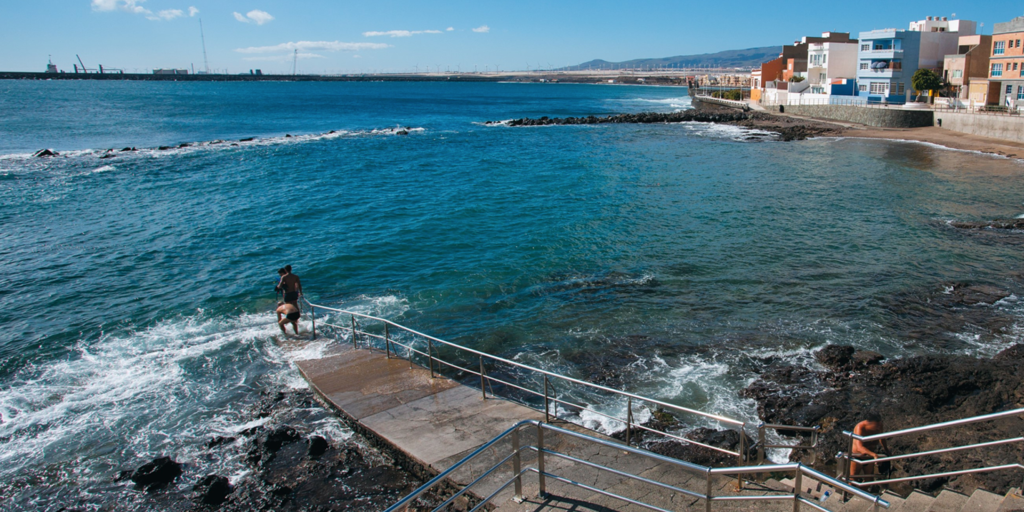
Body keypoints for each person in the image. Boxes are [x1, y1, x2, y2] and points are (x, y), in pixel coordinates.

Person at [850, 412, 889, 478]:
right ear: (869, 423)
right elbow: (859, 447)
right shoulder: (860, 427)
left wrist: (886, 450)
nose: (879, 427)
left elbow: (882, 438)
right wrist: (874, 455)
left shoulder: (879, 426)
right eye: (877, 425)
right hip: (858, 456)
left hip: (869, 457)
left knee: (869, 478)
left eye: (880, 424)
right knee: (853, 478)